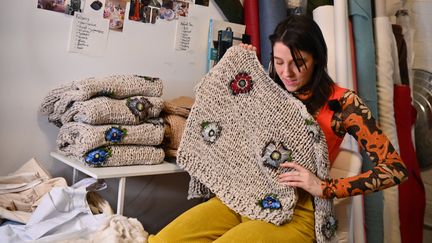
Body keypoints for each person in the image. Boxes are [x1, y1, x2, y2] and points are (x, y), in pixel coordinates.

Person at [148, 14, 408, 242]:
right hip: (246, 195)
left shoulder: (343, 103)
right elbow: (227, 119)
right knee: (165, 240)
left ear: (317, 58)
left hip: (298, 214)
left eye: (298, 62)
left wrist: (325, 187)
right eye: (279, 62)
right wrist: (236, 65)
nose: (287, 73)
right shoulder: (268, 92)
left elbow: (394, 169)